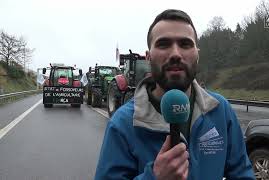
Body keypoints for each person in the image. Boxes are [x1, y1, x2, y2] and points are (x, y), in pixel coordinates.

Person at [95, 9, 255, 180]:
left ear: (197, 55)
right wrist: (154, 177)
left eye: (185, 44)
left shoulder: (221, 110)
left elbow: (242, 173)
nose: (175, 54)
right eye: (163, 44)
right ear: (148, 57)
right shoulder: (122, 124)